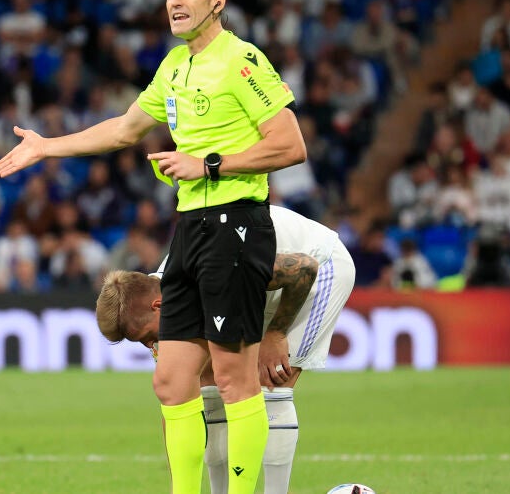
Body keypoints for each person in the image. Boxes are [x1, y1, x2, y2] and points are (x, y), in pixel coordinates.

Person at [0, 0, 306, 493]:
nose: (175, 1)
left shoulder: (242, 60)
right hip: (190, 229)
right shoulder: (175, 66)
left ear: (217, 1)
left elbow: (290, 144)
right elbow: (124, 129)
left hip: (236, 223)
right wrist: (48, 147)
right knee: (171, 380)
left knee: (234, 380)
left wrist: (209, 164)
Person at [95, 206, 356, 494]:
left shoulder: (215, 268)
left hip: (318, 267)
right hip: (256, 287)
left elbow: (304, 268)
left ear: (159, 307)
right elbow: (176, 403)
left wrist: (277, 333)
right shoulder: (163, 300)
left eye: (146, 337)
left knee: (272, 381)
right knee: (209, 388)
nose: (150, 345)